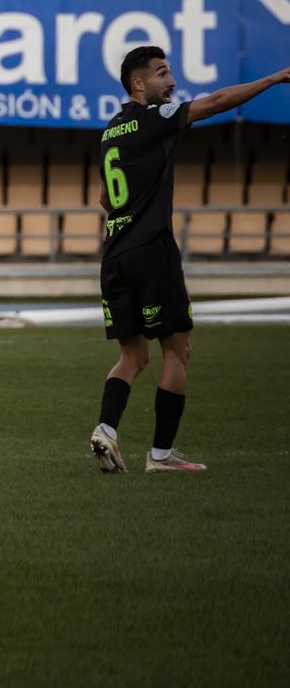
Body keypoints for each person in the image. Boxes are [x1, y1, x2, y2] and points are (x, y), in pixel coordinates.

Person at [90, 48, 290, 475]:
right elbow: (215, 103)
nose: (172, 81)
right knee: (177, 349)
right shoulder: (154, 118)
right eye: (163, 73)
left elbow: (106, 198)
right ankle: (161, 455)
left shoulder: (109, 131)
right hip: (151, 250)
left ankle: (106, 430)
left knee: (133, 355)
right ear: (138, 84)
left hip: (115, 254)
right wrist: (271, 79)